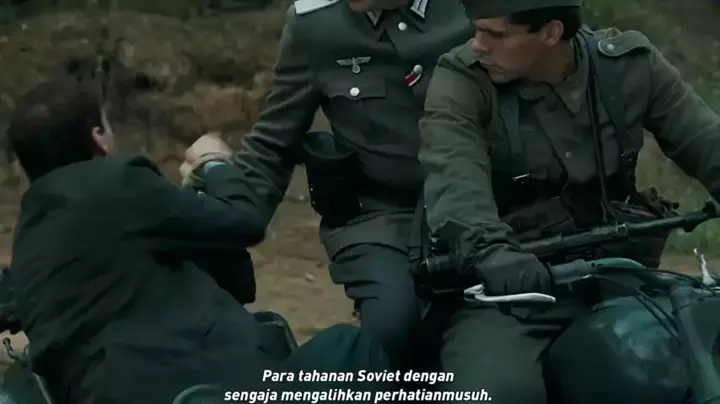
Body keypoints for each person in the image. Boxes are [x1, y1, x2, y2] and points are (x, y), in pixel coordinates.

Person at [4, 78, 390, 404]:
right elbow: (245, 220)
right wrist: (215, 165)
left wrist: (192, 206)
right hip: (201, 390)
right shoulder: (116, 184)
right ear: (98, 139)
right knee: (348, 348)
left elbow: (231, 279)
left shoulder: (30, 242)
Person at [416, 0, 720, 403]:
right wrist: (489, 249)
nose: (478, 44)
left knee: (688, 368)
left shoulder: (627, 66)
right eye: (478, 30)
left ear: (550, 32)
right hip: (511, 292)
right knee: (497, 392)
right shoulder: (463, 78)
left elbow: (707, 144)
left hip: (622, 276)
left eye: (495, 34)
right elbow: (454, 174)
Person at [216, 0, 474, 370]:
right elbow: (274, 140)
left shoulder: (477, 10)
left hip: (481, 199)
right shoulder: (316, 24)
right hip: (380, 214)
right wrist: (224, 215)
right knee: (392, 323)